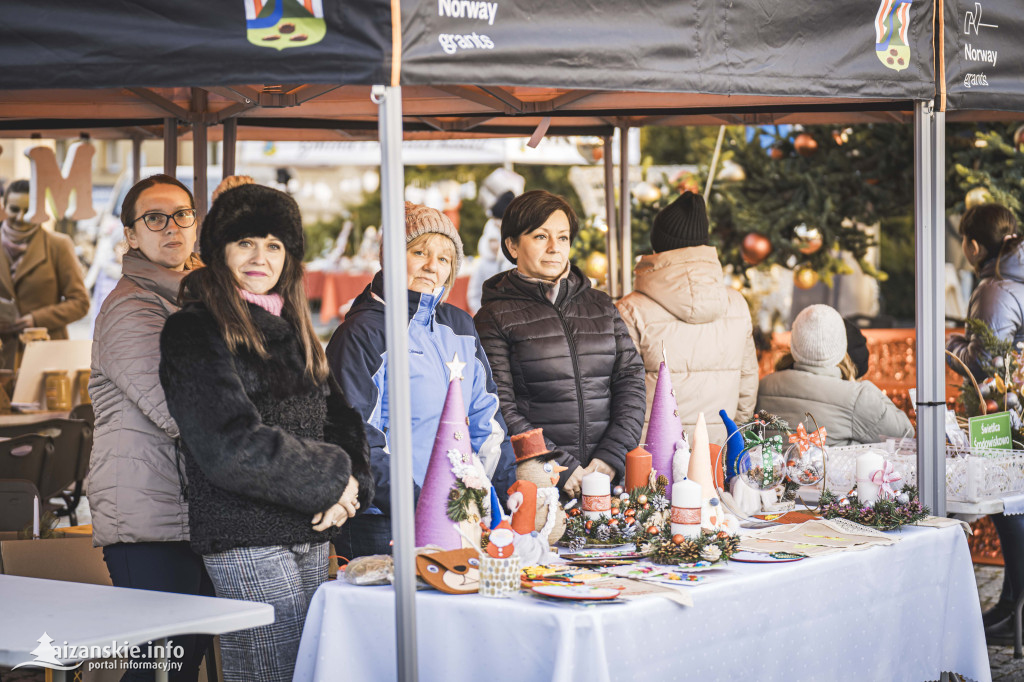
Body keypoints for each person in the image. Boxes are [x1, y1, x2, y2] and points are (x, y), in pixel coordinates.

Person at [159, 184, 373, 682]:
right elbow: (228, 443)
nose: (262, 257)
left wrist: (351, 488)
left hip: (311, 527)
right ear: (219, 251)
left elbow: (339, 417)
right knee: (268, 672)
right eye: (247, 243)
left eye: (275, 245)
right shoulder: (194, 329)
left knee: (310, 668)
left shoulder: (294, 324)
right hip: (245, 534)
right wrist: (331, 483)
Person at [326, 202, 514, 558]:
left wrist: (508, 493)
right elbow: (356, 439)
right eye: (419, 252)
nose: (432, 266)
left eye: (444, 259)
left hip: (461, 514)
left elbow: (486, 422)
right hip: (382, 521)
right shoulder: (361, 334)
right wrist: (420, 503)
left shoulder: (460, 326)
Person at [87, 175, 208, 681]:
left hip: (189, 509)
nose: (172, 227)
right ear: (132, 236)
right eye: (154, 219)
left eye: (182, 214)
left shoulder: (201, 294)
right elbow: (179, 410)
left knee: (184, 658)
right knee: (160, 667)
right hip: (147, 516)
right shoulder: (131, 307)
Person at [474, 190, 646, 498]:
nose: (555, 248)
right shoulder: (493, 317)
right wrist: (556, 464)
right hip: (539, 487)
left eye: (563, 237)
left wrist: (611, 455)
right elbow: (499, 404)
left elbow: (631, 381)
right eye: (541, 236)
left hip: (608, 481)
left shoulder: (601, 305)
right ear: (512, 245)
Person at [616, 191, 758, 445]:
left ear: (658, 245)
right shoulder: (736, 304)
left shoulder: (630, 310)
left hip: (652, 460)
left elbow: (624, 394)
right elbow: (747, 388)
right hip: (718, 454)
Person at [945, 202, 1024, 644]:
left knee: (1009, 506)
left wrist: (954, 342)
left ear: (973, 244)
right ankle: (1011, 604)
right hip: (1019, 410)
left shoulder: (996, 288)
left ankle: (1016, 609)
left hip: (1004, 415)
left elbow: (986, 363)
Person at [757, 304, 912, 446]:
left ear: (794, 345)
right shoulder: (857, 397)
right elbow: (905, 435)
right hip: (829, 477)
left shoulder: (764, 386)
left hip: (771, 476)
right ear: (842, 347)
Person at [0, 179, 89, 369]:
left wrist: (37, 319)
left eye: (28, 210)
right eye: (14, 209)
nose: (20, 216)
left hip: (47, 358)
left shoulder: (58, 245)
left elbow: (80, 302)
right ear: (4, 207)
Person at [467, 191, 515, 314]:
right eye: (492, 241)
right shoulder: (483, 264)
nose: (495, 245)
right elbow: (474, 293)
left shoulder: (515, 262)